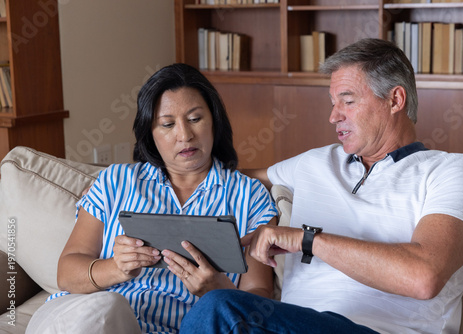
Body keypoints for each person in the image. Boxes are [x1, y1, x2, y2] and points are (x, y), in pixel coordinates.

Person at [179, 38, 463, 334]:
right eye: (332, 103)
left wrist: (308, 240)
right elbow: (222, 179)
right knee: (213, 307)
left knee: (217, 308)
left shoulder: (450, 170)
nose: (333, 116)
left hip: (382, 331)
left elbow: (425, 276)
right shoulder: (316, 162)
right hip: (289, 324)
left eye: (348, 101)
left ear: (395, 100)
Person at [26, 63, 278, 334]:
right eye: (168, 124)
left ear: (214, 120)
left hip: (183, 327)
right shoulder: (116, 181)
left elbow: (259, 296)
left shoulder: (249, 196)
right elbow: (66, 273)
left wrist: (218, 291)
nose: (185, 135)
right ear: (150, 133)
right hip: (91, 319)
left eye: (195, 119)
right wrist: (116, 268)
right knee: (108, 309)